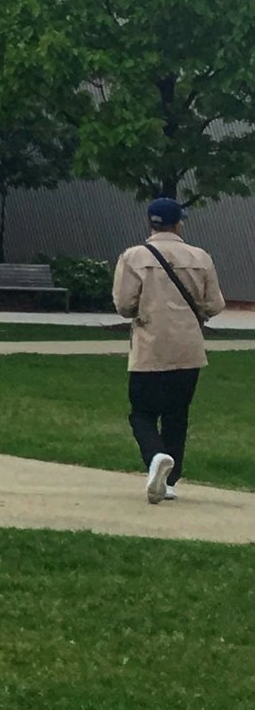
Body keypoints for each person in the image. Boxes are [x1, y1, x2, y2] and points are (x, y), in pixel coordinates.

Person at [111, 195, 225, 504]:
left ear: (150, 223)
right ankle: (170, 481)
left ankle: (156, 456)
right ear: (179, 223)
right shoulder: (200, 257)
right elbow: (215, 304)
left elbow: (124, 305)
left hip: (150, 346)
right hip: (187, 348)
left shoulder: (134, 257)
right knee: (177, 414)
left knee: (142, 413)